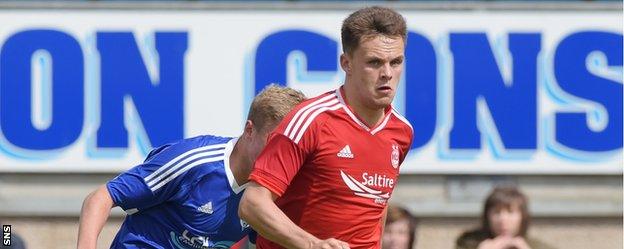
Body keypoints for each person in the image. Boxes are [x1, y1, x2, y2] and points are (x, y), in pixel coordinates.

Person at [239, 6, 414, 249]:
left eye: (396, 62)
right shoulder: (310, 120)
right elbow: (252, 204)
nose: (387, 73)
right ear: (347, 63)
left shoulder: (402, 131)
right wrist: (312, 245)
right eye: (374, 62)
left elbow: (376, 208)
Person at [77, 85, 306, 249]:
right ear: (249, 130)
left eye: (290, 145)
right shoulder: (194, 161)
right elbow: (101, 197)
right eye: (274, 141)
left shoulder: (272, 190)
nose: (281, 153)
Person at [455, 186, 555, 249]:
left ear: (523, 216)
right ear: (487, 216)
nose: (503, 219)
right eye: (496, 213)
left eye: (510, 212)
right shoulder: (468, 243)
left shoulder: (536, 246)